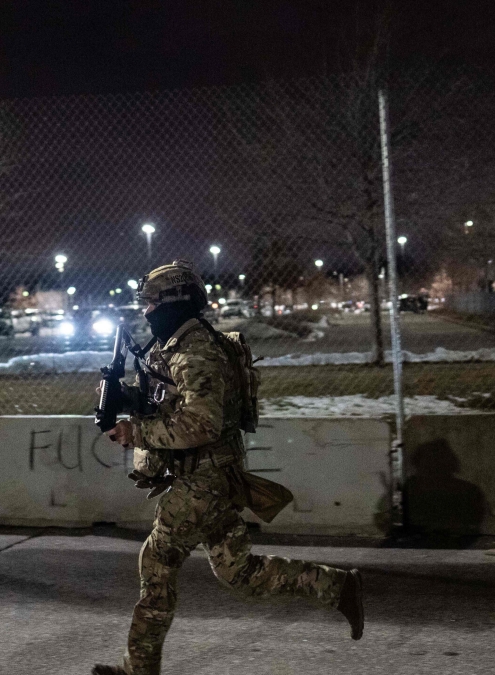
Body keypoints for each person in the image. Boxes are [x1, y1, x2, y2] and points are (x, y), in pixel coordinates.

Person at [93, 260, 364, 675]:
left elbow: (201, 423)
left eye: (151, 302)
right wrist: (124, 398)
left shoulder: (196, 350)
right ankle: (336, 586)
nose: (146, 310)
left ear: (174, 302)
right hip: (210, 476)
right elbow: (172, 399)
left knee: (158, 562)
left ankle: (138, 670)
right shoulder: (179, 344)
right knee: (240, 573)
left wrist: (136, 433)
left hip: (203, 480)